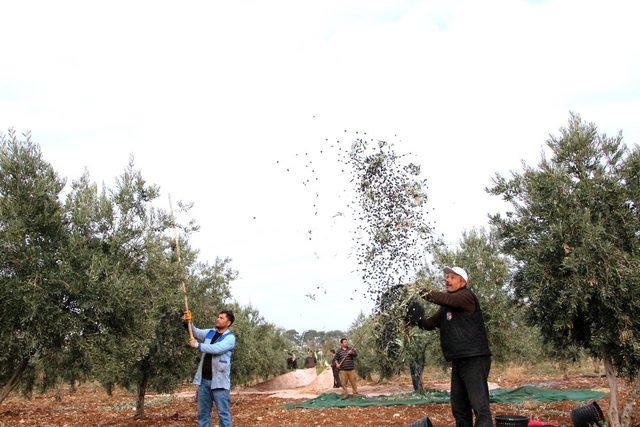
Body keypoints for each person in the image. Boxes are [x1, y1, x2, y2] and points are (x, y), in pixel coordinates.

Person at [409, 266, 492, 427]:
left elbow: (444, 298)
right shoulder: (447, 307)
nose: (447, 280)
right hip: (459, 360)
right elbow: (429, 324)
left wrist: (419, 290)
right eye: (447, 277)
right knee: (459, 407)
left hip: (474, 358)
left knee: (479, 406)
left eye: (452, 277)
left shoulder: (466, 297)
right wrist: (416, 318)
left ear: (463, 282)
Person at [182, 309, 236, 427]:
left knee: (223, 414)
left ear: (228, 323)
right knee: (203, 414)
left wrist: (198, 345)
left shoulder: (230, 338)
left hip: (220, 383)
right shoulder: (210, 332)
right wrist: (188, 322)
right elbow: (195, 332)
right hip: (204, 382)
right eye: (218, 316)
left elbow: (216, 348)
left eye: (221, 318)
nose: (218, 319)